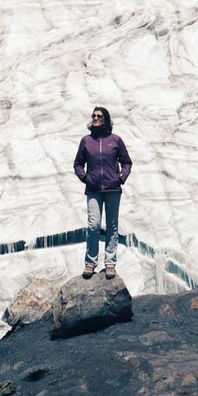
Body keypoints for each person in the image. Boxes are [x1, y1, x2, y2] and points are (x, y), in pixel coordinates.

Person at [73, 106, 132, 280]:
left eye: (99, 116)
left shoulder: (115, 140)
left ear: (106, 119)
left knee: (112, 225)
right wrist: (85, 178)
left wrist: (120, 178)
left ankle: (110, 264)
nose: (96, 118)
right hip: (93, 189)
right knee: (93, 225)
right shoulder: (86, 141)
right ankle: (90, 263)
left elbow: (127, 162)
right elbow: (77, 163)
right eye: (94, 116)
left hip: (113, 188)